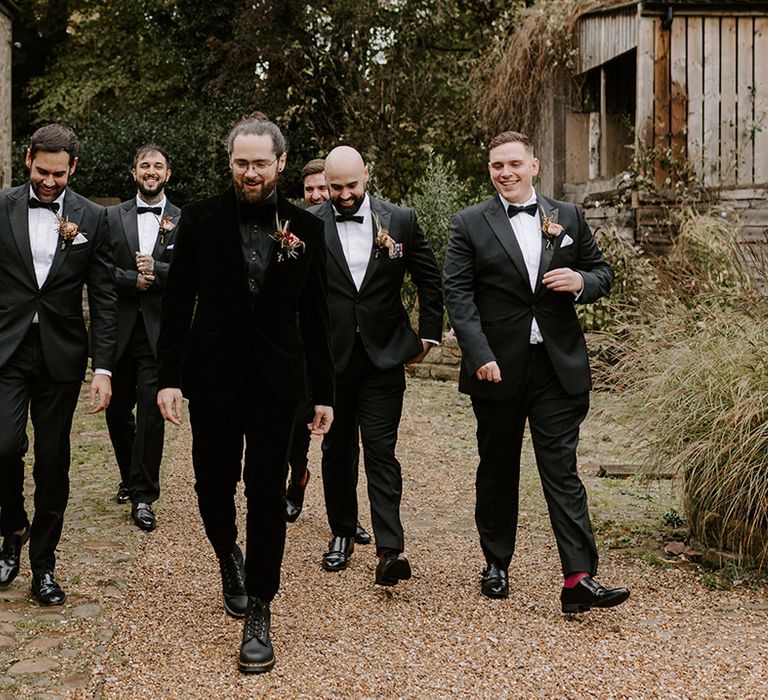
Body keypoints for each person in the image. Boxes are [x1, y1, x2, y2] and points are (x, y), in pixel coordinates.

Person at [156, 114, 334, 674]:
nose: (250, 172)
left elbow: (316, 316)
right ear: (229, 162)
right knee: (212, 487)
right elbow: (177, 303)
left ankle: (260, 606)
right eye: (241, 162)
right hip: (211, 378)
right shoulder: (201, 220)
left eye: (260, 163)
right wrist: (168, 378)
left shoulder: (306, 229)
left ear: (280, 163)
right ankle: (226, 555)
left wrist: (323, 391)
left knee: (264, 491)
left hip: (277, 383)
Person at [443, 130, 629, 612]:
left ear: (534, 165)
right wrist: (479, 353)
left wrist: (580, 281)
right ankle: (497, 562)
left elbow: (603, 273)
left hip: (556, 366)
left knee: (561, 470)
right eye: (496, 166)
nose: (504, 173)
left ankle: (578, 578)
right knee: (498, 467)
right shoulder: (469, 223)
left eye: (513, 164)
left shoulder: (565, 216)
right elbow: (458, 297)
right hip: (497, 369)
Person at [310, 146, 442, 585]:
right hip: (332, 360)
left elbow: (429, 276)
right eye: (335, 188)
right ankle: (342, 533)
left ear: (368, 174)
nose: (344, 195)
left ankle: (390, 548)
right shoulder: (307, 224)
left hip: (384, 357)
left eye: (351, 186)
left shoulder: (400, 219)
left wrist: (428, 335)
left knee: (382, 452)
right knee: (336, 450)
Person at [0, 123, 117, 606]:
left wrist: (105, 369)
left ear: (73, 168)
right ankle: (12, 528)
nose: (49, 182)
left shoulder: (93, 217)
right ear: (28, 159)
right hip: (6, 349)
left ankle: (44, 566)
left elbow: (105, 297)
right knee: (4, 446)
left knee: (53, 460)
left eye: (59, 174)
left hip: (62, 355)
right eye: (42, 171)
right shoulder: (2, 207)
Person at [284, 158, 372, 547]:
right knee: (294, 430)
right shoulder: (291, 230)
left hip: (333, 350)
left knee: (341, 438)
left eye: (325, 188)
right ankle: (297, 474)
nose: (319, 195)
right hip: (295, 351)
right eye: (311, 190)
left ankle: (347, 520)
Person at [106, 144, 180, 531]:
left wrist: (160, 270)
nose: (151, 171)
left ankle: (144, 495)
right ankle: (130, 474)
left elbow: (190, 275)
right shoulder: (111, 216)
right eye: (144, 166)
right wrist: (130, 278)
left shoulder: (183, 220)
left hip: (159, 333)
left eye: (158, 166)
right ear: (134, 172)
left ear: (168, 174)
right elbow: (102, 268)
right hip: (118, 331)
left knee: (151, 415)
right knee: (117, 412)